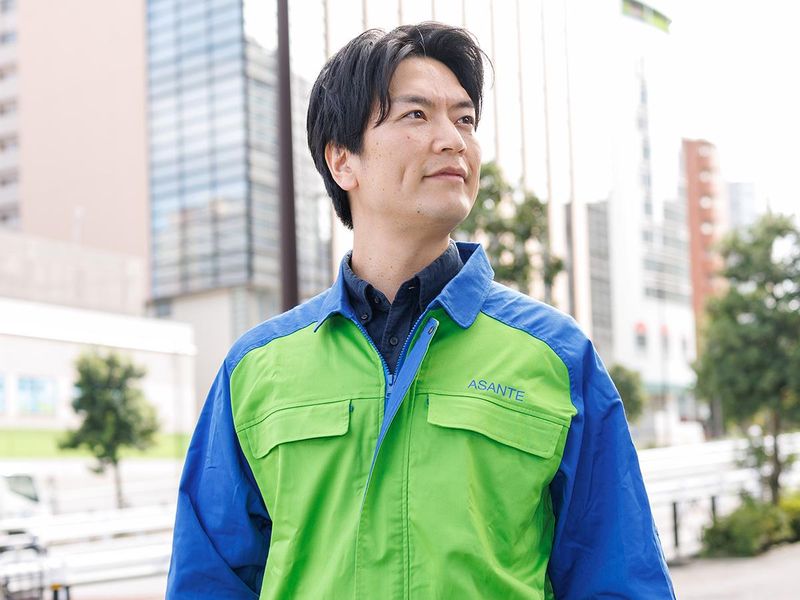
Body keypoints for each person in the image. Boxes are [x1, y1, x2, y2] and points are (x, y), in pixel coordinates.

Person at [167, 22, 675, 599]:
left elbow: (618, 578)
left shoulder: (557, 356)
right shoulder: (256, 368)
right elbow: (209, 582)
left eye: (465, 119)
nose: (453, 140)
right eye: (416, 115)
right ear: (342, 161)